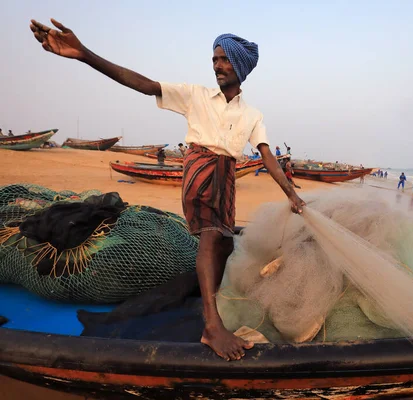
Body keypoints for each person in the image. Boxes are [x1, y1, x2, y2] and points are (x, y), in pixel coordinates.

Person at [30, 18, 305, 361]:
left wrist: (291, 194)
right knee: (208, 235)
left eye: (224, 59)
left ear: (241, 66)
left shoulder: (252, 114)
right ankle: (212, 325)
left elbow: (268, 156)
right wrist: (84, 54)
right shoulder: (195, 95)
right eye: (214, 58)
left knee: (224, 242)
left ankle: (214, 306)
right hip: (200, 167)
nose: (217, 64)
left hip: (226, 177)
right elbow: (144, 84)